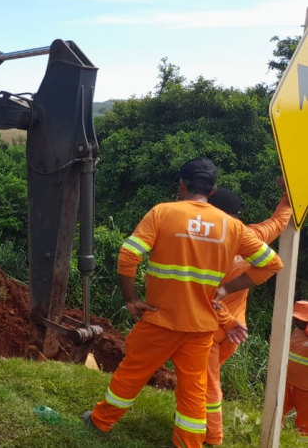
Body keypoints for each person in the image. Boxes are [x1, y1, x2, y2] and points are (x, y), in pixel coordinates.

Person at [82, 157, 283, 448]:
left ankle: (100, 421)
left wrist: (131, 299)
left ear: (181, 185)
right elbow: (272, 264)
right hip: (201, 329)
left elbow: (129, 254)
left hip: (160, 321)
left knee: (132, 374)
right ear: (212, 190)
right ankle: (189, 443)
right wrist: (227, 288)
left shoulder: (163, 212)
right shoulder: (233, 227)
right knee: (194, 391)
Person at [203, 181, 291, 445]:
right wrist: (288, 193)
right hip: (234, 332)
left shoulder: (205, 246)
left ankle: (212, 436)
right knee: (205, 379)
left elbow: (206, 298)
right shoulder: (252, 237)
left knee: (207, 383)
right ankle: (197, 419)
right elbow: (279, 220)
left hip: (211, 328)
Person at [285, 301, 308, 436]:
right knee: (276, 413)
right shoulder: (296, 332)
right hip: (288, 383)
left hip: (305, 389)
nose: (296, 321)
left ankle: (301, 442)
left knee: (304, 423)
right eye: (295, 318)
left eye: (299, 319)